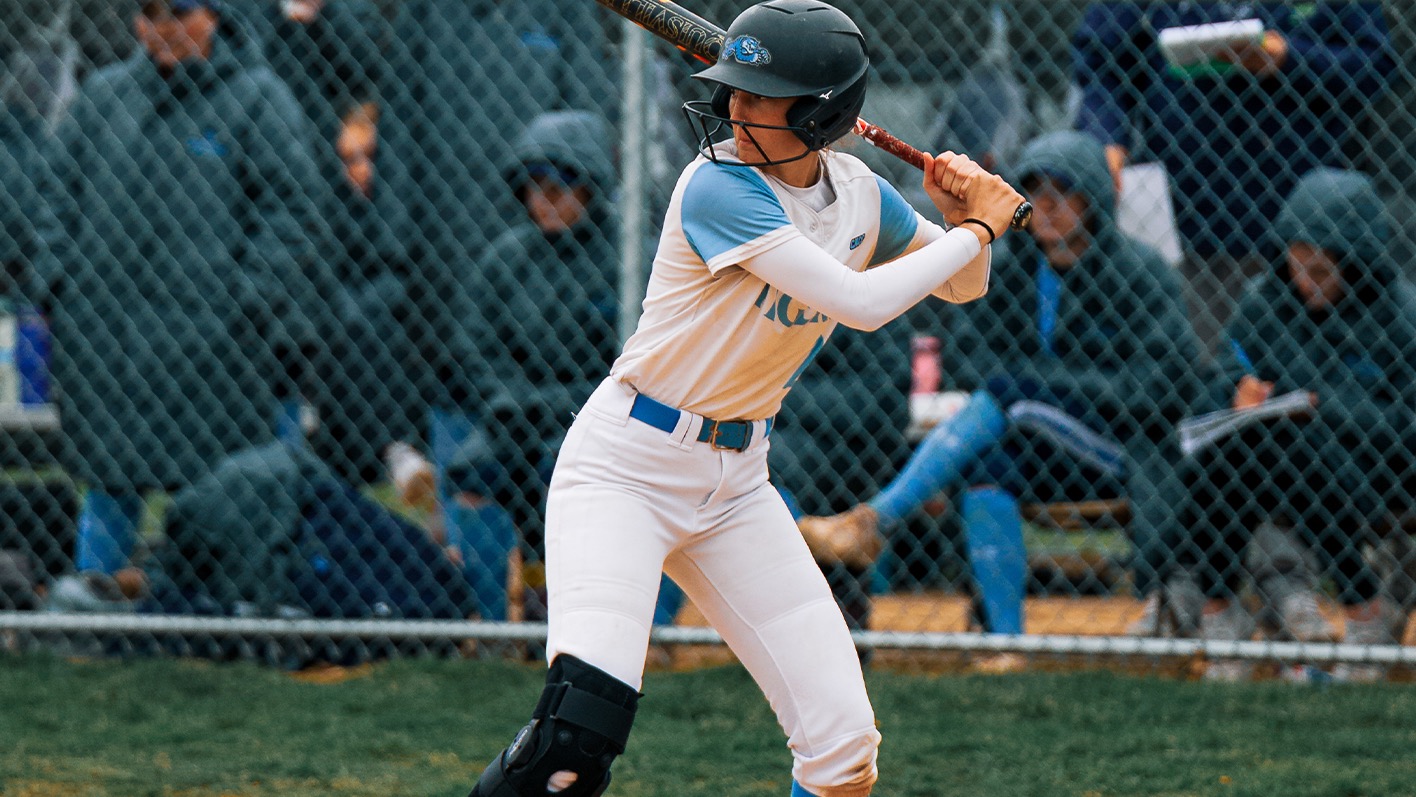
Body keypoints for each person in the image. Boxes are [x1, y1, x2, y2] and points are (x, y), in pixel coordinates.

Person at [462, 2, 1025, 795]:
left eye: (761, 97)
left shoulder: (861, 195)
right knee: (571, 744)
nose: (734, 109)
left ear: (824, 112)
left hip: (736, 485)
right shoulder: (715, 185)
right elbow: (861, 303)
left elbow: (965, 285)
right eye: (734, 90)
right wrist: (982, 229)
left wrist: (965, 219)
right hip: (626, 467)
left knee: (844, 750)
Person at [795, 130, 1204, 636]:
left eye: (1064, 192)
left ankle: (874, 520)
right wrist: (1034, 385)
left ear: (1094, 197)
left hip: (1120, 447)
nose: (1048, 207)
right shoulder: (1013, 267)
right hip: (1030, 441)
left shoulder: (1140, 271)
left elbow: (1158, 386)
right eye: (1037, 193)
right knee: (989, 470)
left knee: (1013, 395)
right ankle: (1008, 640)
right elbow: (968, 354)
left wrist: (1042, 384)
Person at [45, 0, 330, 575]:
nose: (163, 29)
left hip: (215, 347)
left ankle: (214, 606)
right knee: (109, 482)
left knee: (219, 492)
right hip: (108, 343)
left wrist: (244, 298)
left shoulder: (258, 98)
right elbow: (55, 196)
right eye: (149, 14)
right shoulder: (103, 98)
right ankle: (95, 609)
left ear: (216, 16)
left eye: (179, 12)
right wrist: (59, 283)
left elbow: (292, 209)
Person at [1170, 168, 1415, 681]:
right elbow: (1223, 373)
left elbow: (1404, 423)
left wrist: (1326, 406)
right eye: (1297, 267)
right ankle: (1226, 612)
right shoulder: (1266, 298)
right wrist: (1235, 392)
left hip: (1374, 470)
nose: (1306, 283)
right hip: (1273, 463)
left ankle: (1228, 613)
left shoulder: (1399, 313)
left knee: (1282, 437)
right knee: (1243, 440)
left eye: (1323, 273)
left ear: (1357, 264)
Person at [1072, 1, 1396, 354]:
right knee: (1195, 361)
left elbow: (1376, 64)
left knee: (1293, 365)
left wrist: (1290, 59)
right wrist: (1107, 139)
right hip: (1184, 208)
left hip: (1299, 219)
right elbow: (1102, 62)